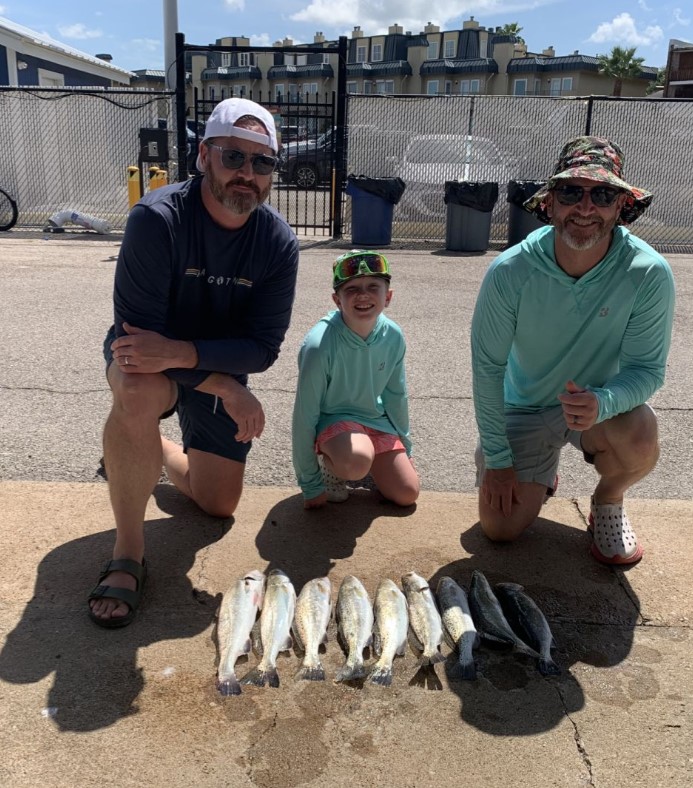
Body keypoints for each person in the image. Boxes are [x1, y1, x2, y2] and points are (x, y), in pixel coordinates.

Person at [89, 98, 299, 627]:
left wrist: (200, 365)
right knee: (135, 389)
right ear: (204, 155)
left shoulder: (277, 242)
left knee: (218, 505)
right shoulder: (155, 220)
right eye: (233, 157)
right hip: (149, 368)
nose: (247, 174)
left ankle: (140, 450)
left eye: (262, 163)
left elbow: (264, 347)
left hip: (209, 368)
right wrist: (225, 383)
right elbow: (139, 346)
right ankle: (127, 552)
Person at [471, 136, 675, 565]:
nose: (585, 208)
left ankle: (608, 500)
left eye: (602, 194)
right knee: (499, 529)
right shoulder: (510, 270)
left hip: (597, 411)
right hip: (524, 408)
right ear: (550, 203)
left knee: (639, 434)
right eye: (570, 192)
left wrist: (604, 401)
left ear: (621, 205)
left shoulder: (649, 273)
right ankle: (537, 472)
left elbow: (647, 370)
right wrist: (498, 458)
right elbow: (488, 370)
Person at [292, 250, 420, 510]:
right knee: (356, 461)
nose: (363, 295)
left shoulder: (393, 335)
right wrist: (310, 483)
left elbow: (397, 394)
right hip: (334, 421)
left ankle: (366, 463)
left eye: (374, 286)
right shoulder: (319, 345)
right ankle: (330, 467)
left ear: (388, 297)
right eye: (351, 289)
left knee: (407, 493)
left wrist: (406, 447)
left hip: (374, 420)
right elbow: (304, 414)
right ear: (336, 300)